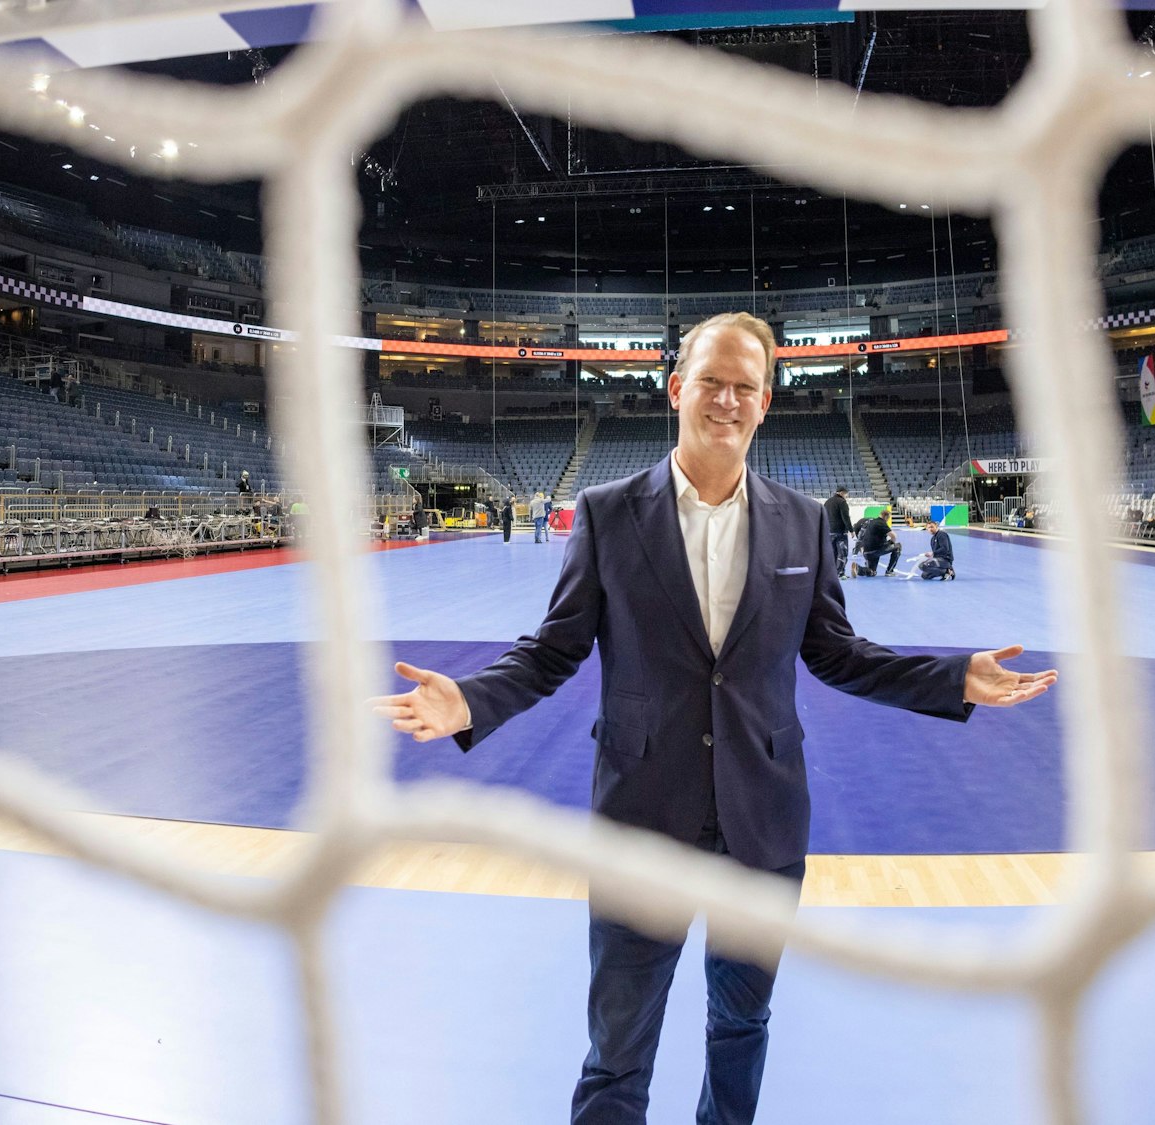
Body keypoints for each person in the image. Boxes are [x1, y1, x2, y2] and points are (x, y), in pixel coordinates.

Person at [369, 311, 1053, 1125]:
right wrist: (471, 698)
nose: (726, 400)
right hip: (640, 820)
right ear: (676, 390)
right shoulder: (607, 512)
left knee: (741, 1026)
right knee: (618, 1050)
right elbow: (554, 651)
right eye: (711, 382)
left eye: (744, 387)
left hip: (761, 824)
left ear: (764, 403)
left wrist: (950, 679)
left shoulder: (804, 521)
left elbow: (837, 651)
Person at [852, 506, 901, 576]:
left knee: (872, 572)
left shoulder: (871, 522)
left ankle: (858, 569)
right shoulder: (881, 523)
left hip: (867, 552)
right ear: (886, 517)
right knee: (898, 546)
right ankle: (889, 571)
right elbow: (894, 536)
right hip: (876, 551)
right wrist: (891, 542)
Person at [822, 485, 851, 577]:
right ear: (842, 493)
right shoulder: (842, 502)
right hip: (840, 532)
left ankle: (832, 573)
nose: (846, 496)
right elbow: (846, 517)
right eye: (846, 494)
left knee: (833, 553)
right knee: (843, 553)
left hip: (829, 531)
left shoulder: (827, 502)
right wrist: (851, 530)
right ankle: (840, 573)